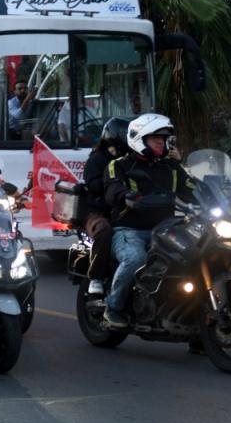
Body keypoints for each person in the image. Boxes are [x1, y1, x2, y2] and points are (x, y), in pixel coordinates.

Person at [102, 114, 195, 329]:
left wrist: (216, 192)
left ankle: (197, 320)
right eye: (155, 139)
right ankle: (112, 307)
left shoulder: (171, 167)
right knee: (135, 258)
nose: (161, 143)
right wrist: (128, 196)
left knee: (194, 258)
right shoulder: (120, 165)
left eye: (163, 139)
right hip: (129, 229)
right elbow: (113, 189)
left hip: (166, 229)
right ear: (139, 139)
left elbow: (191, 188)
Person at [79, 118, 129, 292]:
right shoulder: (98, 159)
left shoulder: (131, 159)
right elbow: (94, 186)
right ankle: (96, 278)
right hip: (98, 211)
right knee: (104, 230)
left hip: (124, 210)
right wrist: (116, 181)